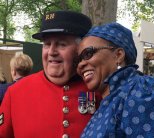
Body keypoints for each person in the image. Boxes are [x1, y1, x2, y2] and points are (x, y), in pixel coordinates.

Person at [76, 22, 154, 137]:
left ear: (118, 55)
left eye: (88, 54)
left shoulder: (148, 92)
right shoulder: (111, 98)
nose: (80, 65)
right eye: (78, 60)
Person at [0, 10, 99, 138]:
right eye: (47, 44)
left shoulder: (99, 90)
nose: (52, 51)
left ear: (82, 50)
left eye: (61, 44)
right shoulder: (15, 92)